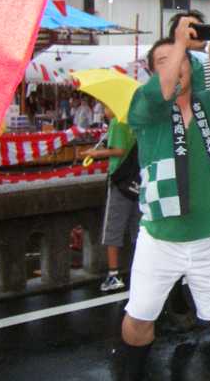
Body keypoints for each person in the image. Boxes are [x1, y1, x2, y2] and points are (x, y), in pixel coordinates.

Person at [114, 17, 210, 381]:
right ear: (152, 72)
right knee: (140, 316)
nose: (176, 66)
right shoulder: (147, 109)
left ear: (193, 70)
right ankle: (133, 371)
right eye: (164, 61)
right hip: (160, 238)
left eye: (181, 60)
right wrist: (178, 43)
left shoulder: (208, 104)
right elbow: (162, 89)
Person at [82, 106, 140, 292]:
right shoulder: (135, 122)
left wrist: (96, 153)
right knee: (136, 228)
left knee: (112, 228)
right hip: (136, 181)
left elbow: (119, 150)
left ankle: (113, 274)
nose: (105, 110)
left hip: (119, 180)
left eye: (106, 106)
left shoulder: (117, 122)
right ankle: (139, 270)